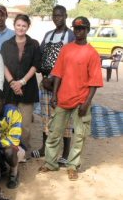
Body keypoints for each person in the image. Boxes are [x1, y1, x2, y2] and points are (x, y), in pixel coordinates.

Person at [38, 16, 103, 181]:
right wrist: (54, 95)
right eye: (76, 28)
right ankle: (51, 163)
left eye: (82, 28)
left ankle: (73, 166)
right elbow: (58, 73)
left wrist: (86, 103)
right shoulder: (66, 49)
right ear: (73, 30)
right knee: (54, 133)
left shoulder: (92, 53)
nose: (79, 31)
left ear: (87, 30)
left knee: (79, 136)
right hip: (63, 99)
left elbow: (94, 82)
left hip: (81, 101)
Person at [31, 5, 75, 164]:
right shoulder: (49, 35)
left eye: (60, 15)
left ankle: (65, 153)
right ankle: (44, 148)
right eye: (54, 16)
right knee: (46, 117)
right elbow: (42, 54)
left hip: (64, 84)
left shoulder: (71, 36)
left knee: (65, 119)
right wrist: (45, 78)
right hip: (46, 82)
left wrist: (57, 82)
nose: (57, 18)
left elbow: (72, 63)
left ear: (65, 16)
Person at [0, 14, 41, 149]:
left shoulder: (34, 44)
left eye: (24, 25)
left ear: (28, 27)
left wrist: (21, 82)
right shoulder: (6, 45)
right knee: (10, 121)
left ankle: (23, 151)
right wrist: (13, 83)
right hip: (10, 89)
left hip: (27, 89)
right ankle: (9, 150)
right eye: (18, 25)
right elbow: (3, 65)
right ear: (14, 25)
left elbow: (35, 65)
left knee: (25, 124)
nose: (21, 28)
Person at [0, 88, 24, 189]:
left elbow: (14, 140)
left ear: (3, 101)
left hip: (13, 146)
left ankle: (14, 173)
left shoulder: (13, 112)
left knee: (9, 152)